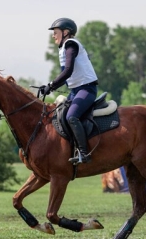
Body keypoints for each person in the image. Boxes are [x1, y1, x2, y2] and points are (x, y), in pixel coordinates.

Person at [41, 17, 98, 164]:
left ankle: (84, 153)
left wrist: (51, 85)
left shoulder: (70, 45)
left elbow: (68, 71)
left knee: (71, 116)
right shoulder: (64, 48)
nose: (53, 35)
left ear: (66, 32)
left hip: (87, 89)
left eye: (55, 32)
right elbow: (66, 77)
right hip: (75, 91)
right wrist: (48, 86)